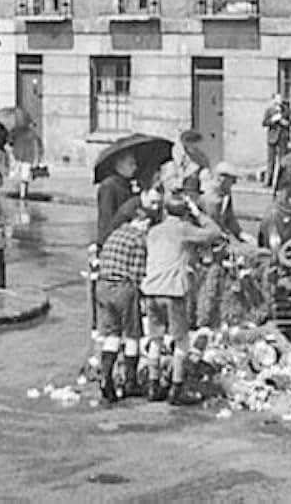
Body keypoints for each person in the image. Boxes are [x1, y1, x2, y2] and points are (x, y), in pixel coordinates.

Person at [141, 193, 223, 405]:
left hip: (150, 290)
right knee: (181, 340)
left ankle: (153, 384)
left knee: (156, 339)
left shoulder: (153, 231)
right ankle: (176, 388)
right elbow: (214, 233)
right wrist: (198, 213)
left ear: (166, 210)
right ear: (184, 212)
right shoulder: (183, 229)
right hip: (173, 291)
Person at [95, 208, 156, 403]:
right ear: (143, 222)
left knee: (112, 334)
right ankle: (131, 382)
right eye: (148, 225)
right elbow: (137, 275)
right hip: (123, 289)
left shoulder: (115, 234)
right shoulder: (138, 240)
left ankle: (106, 378)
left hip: (103, 287)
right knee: (132, 335)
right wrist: (145, 299)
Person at [200, 161, 255, 244]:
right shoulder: (209, 197)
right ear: (221, 179)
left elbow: (230, 218)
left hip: (220, 237)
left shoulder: (225, 194)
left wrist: (240, 233)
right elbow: (211, 224)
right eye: (232, 180)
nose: (234, 182)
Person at [96, 149, 138, 249]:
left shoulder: (127, 184)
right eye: (131, 164)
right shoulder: (109, 186)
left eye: (135, 164)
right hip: (112, 241)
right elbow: (106, 218)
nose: (135, 168)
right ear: (119, 165)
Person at [262, 94, 291, 188]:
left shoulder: (285, 110)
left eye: (281, 99)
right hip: (272, 138)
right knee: (270, 161)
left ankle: (280, 182)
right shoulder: (269, 110)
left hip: (282, 138)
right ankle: (268, 181)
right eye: (278, 99)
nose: (280, 101)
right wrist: (273, 120)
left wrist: (283, 121)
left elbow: (289, 123)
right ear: (274, 100)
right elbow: (264, 123)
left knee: (282, 160)